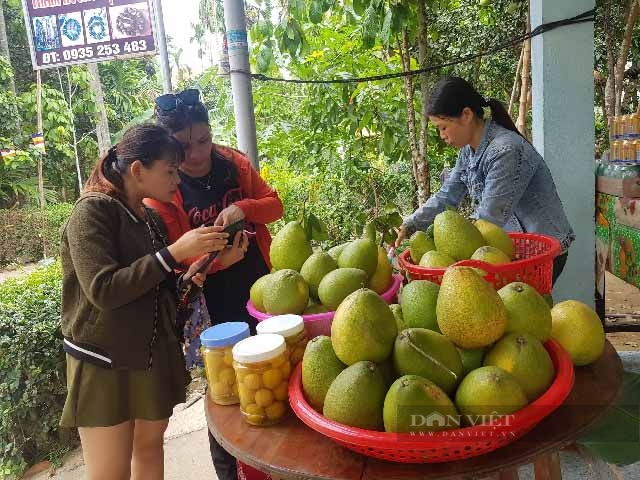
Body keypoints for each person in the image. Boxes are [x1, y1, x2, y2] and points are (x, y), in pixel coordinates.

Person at [59, 124, 230, 480]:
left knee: (150, 449)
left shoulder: (150, 219)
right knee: (111, 472)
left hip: (148, 353)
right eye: (169, 171)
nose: (177, 181)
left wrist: (189, 275)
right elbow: (103, 289)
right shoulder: (91, 212)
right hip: (104, 363)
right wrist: (174, 253)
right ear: (138, 170)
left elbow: (154, 288)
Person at [145, 89, 283, 480]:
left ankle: (273, 464)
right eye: (184, 148)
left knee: (271, 375)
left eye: (203, 140)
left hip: (259, 287)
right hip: (210, 306)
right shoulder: (163, 189)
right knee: (225, 392)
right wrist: (219, 262)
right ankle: (231, 472)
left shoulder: (231, 163)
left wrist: (245, 208)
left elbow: (275, 205)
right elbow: (175, 261)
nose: (197, 153)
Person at [396, 77, 574, 283]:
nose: (441, 135)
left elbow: (489, 216)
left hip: (542, 253)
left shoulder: (505, 150)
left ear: (466, 115)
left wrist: (441, 245)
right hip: (509, 251)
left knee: (523, 312)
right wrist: (411, 224)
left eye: (443, 127)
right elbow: (447, 194)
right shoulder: (467, 152)